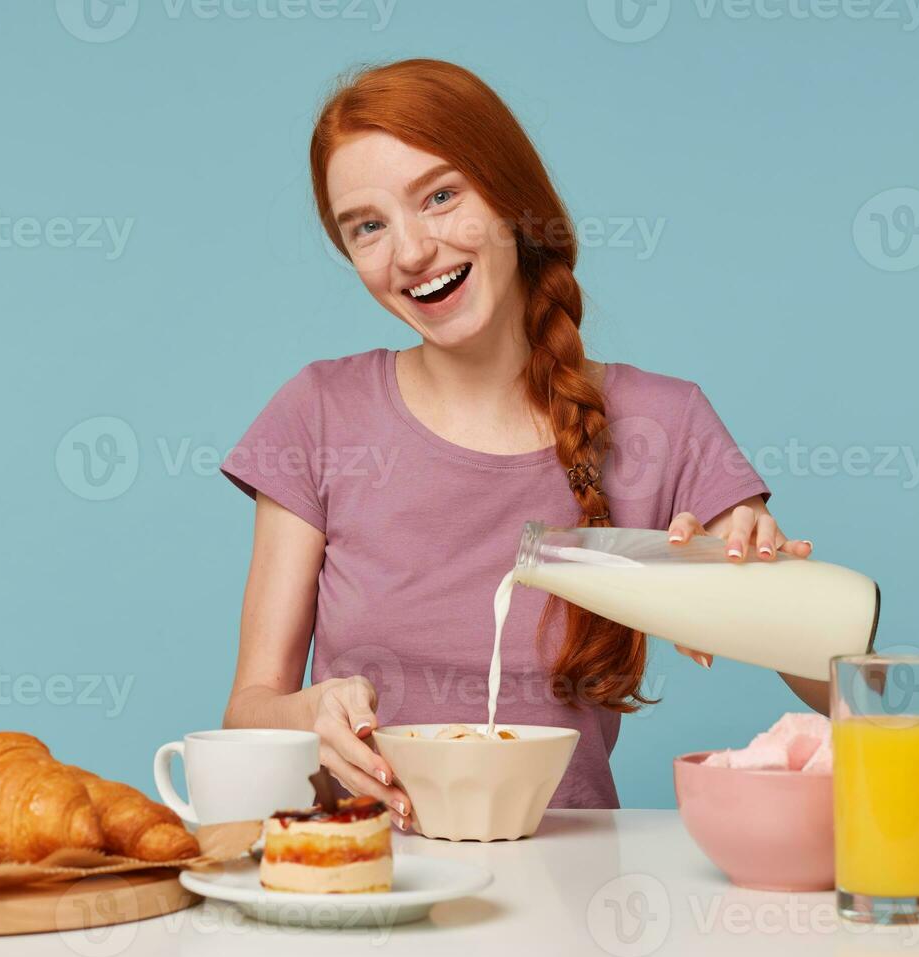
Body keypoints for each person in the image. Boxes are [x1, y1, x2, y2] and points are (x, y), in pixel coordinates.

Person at [219, 59, 822, 829]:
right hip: (360, 873)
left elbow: (848, 699)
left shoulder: (661, 422)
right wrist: (309, 713)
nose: (410, 253)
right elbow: (249, 708)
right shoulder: (319, 412)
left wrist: (768, 597)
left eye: (440, 197)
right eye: (368, 226)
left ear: (510, 197)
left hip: (570, 890)